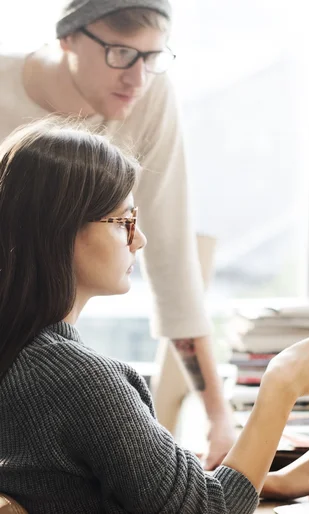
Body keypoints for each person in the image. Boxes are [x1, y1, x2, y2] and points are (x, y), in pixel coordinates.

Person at [0, 118, 309, 513]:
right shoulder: (79, 381)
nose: (140, 239)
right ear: (61, 231)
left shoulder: (22, 357)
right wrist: (281, 387)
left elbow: (97, 488)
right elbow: (208, 510)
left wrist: (265, 482)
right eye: (124, 222)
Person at [0, 0, 236, 468]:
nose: (138, 78)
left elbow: (170, 258)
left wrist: (218, 417)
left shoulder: (150, 94)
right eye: (121, 54)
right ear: (68, 37)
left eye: (153, 57)